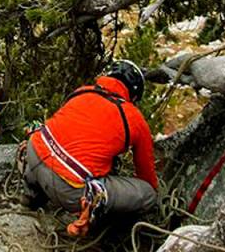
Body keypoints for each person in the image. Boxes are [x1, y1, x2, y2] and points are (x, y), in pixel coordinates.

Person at [22, 60, 157, 235]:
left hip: (34, 155)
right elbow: (146, 174)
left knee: (51, 146)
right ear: (134, 93)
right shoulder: (134, 118)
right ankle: (106, 228)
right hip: (68, 190)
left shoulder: (82, 91)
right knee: (148, 195)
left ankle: (30, 196)